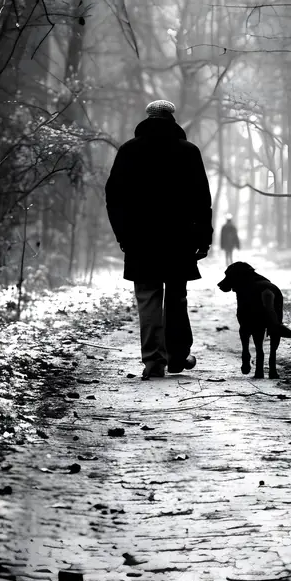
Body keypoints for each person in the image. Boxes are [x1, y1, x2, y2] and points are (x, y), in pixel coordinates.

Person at [105, 100, 213, 380]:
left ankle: (154, 360)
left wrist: (123, 235)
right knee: (176, 297)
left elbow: (114, 198)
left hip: (141, 239)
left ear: (147, 119)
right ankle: (177, 356)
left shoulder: (129, 151)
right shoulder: (188, 152)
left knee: (148, 298)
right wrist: (203, 236)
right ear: (172, 119)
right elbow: (202, 198)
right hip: (180, 239)